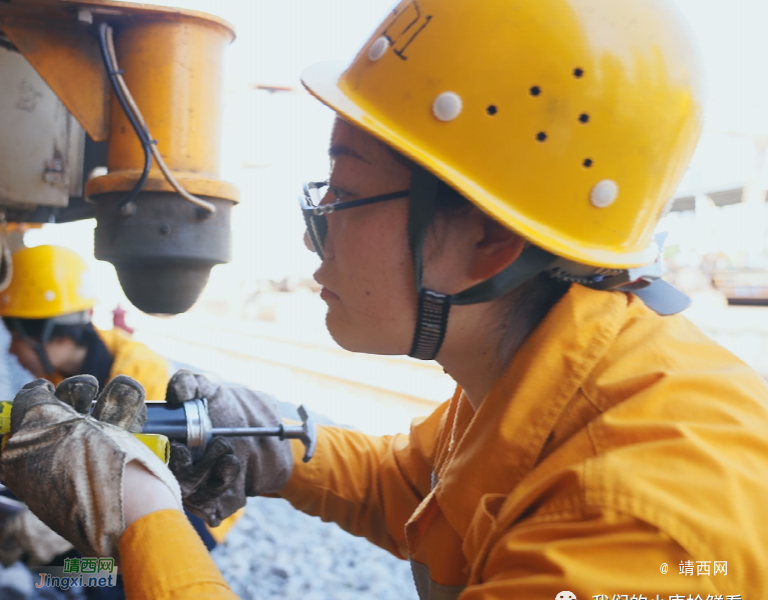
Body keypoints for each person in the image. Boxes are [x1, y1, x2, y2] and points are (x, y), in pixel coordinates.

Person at [3, 0, 768, 599]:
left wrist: (142, 514)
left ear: (491, 239)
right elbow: (414, 482)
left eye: (345, 192)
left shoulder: (647, 524)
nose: (314, 237)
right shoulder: (540, 380)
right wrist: (276, 448)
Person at [0, 245, 238, 597]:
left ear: (53, 335)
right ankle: (59, 582)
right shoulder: (62, 370)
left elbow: (144, 483)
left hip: (187, 517)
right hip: (131, 502)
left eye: (17, 336)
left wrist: (47, 524)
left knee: (103, 576)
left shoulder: (139, 377)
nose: (11, 349)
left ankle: (87, 585)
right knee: (49, 563)